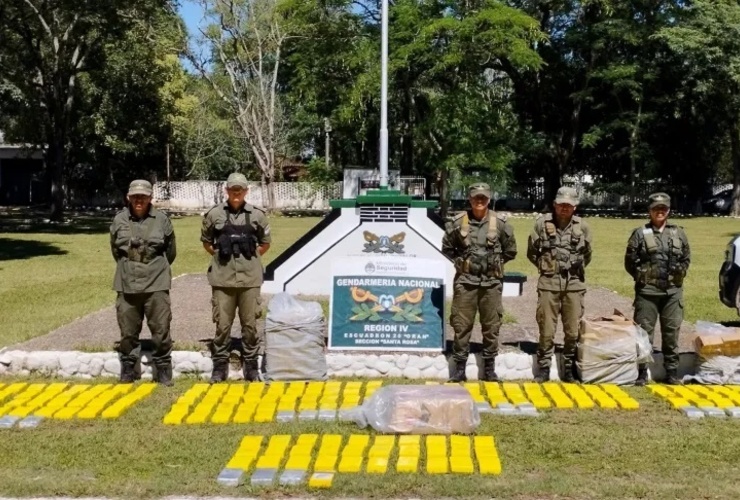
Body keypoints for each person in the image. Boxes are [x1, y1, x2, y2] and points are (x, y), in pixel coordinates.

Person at [442, 182, 517, 382]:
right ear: (470, 199)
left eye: (483, 198)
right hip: (466, 282)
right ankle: (459, 368)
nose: (480, 201)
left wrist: (495, 264)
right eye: (476, 197)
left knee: (491, 325)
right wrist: (462, 262)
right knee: (462, 325)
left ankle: (489, 369)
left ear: (489, 199)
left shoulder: (500, 223)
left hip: (491, 283)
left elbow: (511, 250)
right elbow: (447, 248)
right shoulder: (458, 223)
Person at [201, 172, 271, 383]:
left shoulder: (258, 215)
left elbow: (265, 243)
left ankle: (251, 365)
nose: (236, 193)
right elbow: (206, 241)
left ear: (246, 191)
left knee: (250, 324)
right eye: (233, 189)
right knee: (223, 324)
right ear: (227, 190)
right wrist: (219, 255)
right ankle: (219, 366)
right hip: (223, 279)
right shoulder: (214, 214)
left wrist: (251, 258)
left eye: (240, 189)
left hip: (250, 279)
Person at [110, 179, 177, 385]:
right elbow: (115, 249)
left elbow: (171, 251)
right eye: (135, 196)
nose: (139, 200)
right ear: (128, 198)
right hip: (127, 283)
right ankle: (128, 369)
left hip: (156, 282)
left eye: (143, 196)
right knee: (128, 330)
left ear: (150, 198)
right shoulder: (119, 220)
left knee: (161, 329)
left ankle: (163, 369)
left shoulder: (162, 220)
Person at [527, 186, 592, 383]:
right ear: (555, 205)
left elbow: (587, 255)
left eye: (569, 205)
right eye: (561, 205)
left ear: (575, 207)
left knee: (572, 330)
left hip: (573, 285)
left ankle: (570, 369)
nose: (565, 208)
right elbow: (532, 252)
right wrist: (547, 267)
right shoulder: (541, 224)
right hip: (548, 284)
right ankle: (544, 368)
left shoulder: (583, 227)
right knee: (546, 329)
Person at [625, 192, 690, 385]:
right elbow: (629, 261)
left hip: (672, 292)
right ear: (649, 211)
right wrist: (641, 276)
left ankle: (671, 372)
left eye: (663, 209)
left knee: (672, 332)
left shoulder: (678, 233)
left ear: (668, 211)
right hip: (648, 293)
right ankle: (642, 372)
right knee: (644, 333)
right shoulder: (639, 233)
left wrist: (680, 272)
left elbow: (686, 258)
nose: (659, 212)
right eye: (656, 209)